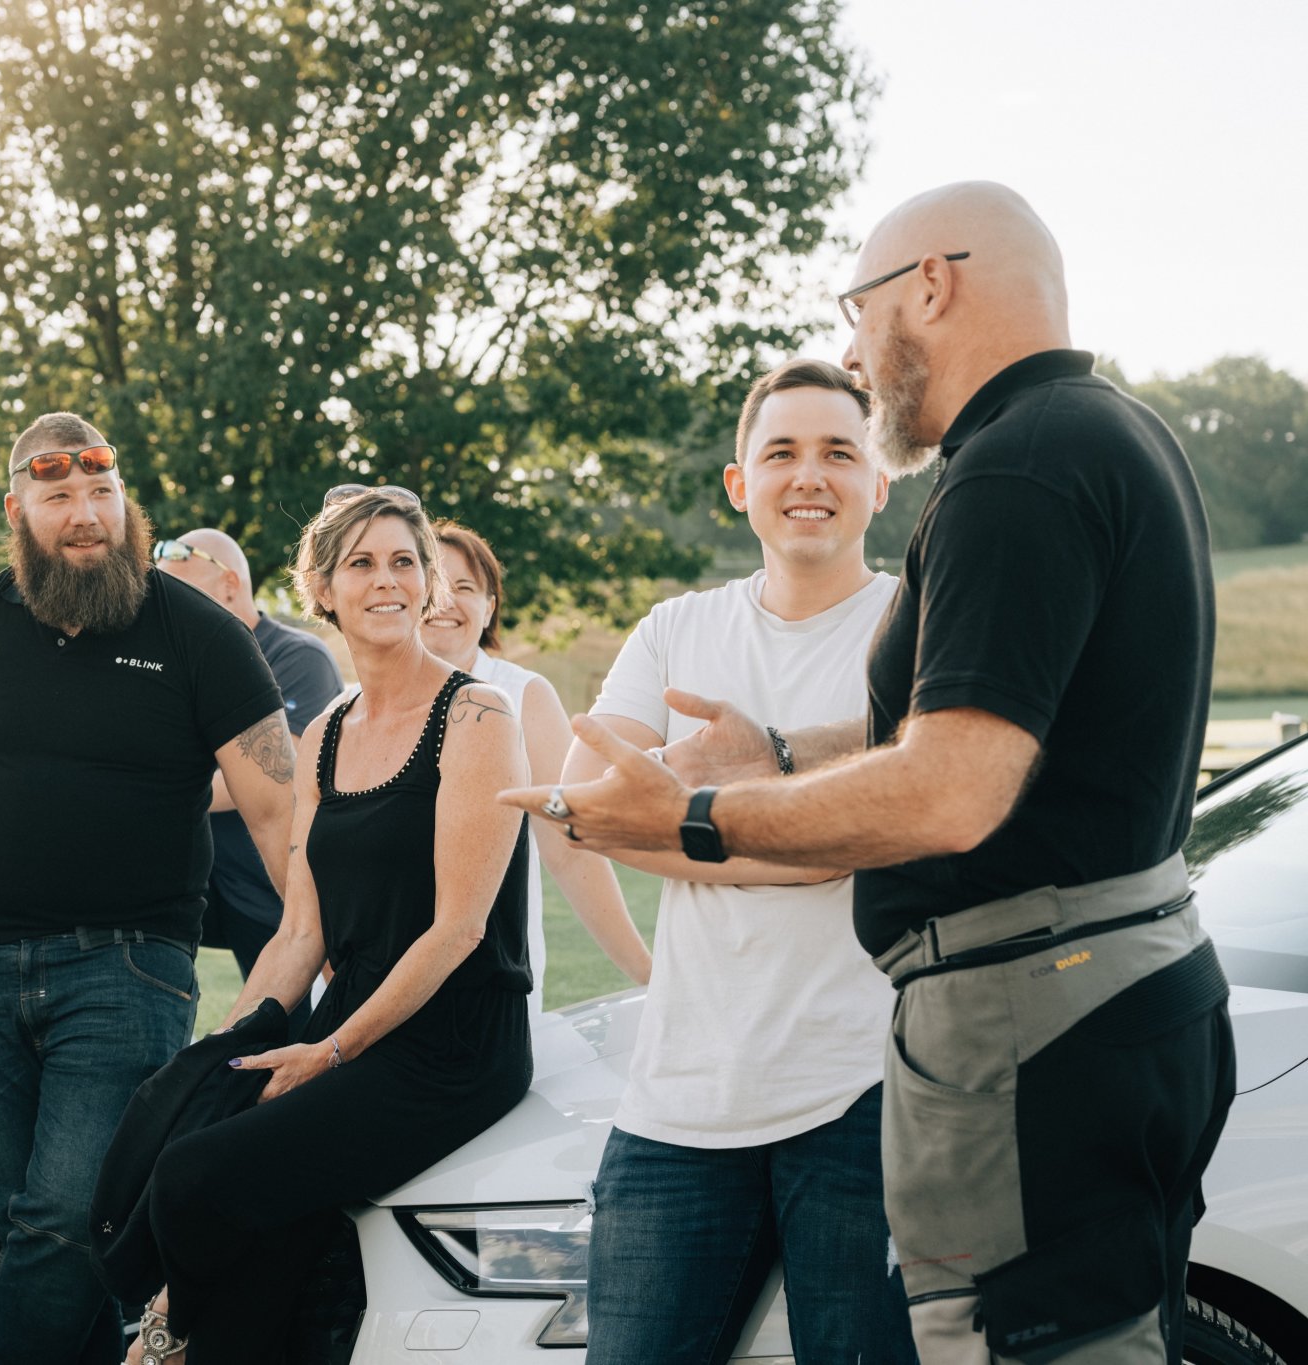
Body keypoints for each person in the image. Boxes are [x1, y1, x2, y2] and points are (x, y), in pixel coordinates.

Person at [506, 182, 1233, 1365]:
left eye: (858, 309)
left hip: (1031, 1023)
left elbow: (947, 792)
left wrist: (699, 821)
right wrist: (786, 759)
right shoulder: (1110, 432)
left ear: (930, 288)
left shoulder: (1009, 473)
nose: (852, 347)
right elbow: (985, 729)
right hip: (1116, 994)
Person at [0, 413, 295, 1365]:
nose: (85, 515)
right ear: (19, 511)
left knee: (58, 1219)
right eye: (58, 497)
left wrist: (318, 961)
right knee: (41, 1231)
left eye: (102, 494)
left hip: (129, 970)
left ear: (125, 504)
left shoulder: (200, 635)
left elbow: (279, 815)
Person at [554, 361, 913, 1362]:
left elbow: (906, 821)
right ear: (736, 482)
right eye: (781, 452)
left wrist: (686, 821)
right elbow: (582, 811)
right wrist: (794, 845)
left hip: (865, 1097)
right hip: (678, 1100)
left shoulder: (911, 628)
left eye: (839, 452)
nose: (809, 475)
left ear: (878, 483)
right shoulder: (678, 629)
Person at [128, 485, 536, 1365]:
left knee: (194, 1178)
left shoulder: (476, 718)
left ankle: (166, 1329)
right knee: (194, 1138)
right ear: (321, 586)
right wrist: (230, 1049)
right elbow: (300, 929)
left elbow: (458, 930)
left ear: (429, 584)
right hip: (348, 1016)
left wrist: (330, 1051)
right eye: (361, 563)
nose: (385, 581)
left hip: (453, 1045)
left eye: (404, 562)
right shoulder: (323, 733)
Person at [421, 521, 652, 1002]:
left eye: (464, 587)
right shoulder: (350, 705)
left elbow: (566, 847)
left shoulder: (524, 696)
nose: (445, 601)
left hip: (487, 981)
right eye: (432, 584)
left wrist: (650, 975)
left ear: (489, 609)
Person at [154, 526, 344, 1033]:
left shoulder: (298, 658)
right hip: (197, 879)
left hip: (273, 883)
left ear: (231, 586)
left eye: (182, 593)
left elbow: (282, 769)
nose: (169, 610)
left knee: (291, 1029)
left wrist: (159, 792)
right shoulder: (175, 665)